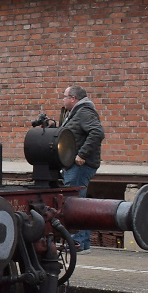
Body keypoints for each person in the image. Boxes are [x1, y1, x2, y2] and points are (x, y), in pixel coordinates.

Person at [59, 85, 105, 250]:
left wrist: (82, 155)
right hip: (73, 166)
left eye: (64, 96)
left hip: (80, 166)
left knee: (75, 203)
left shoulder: (85, 112)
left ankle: (77, 242)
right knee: (79, 202)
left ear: (73, 98)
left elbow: (97, 133)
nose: (63, 99)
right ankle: (80, 242)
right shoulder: (75, 113)